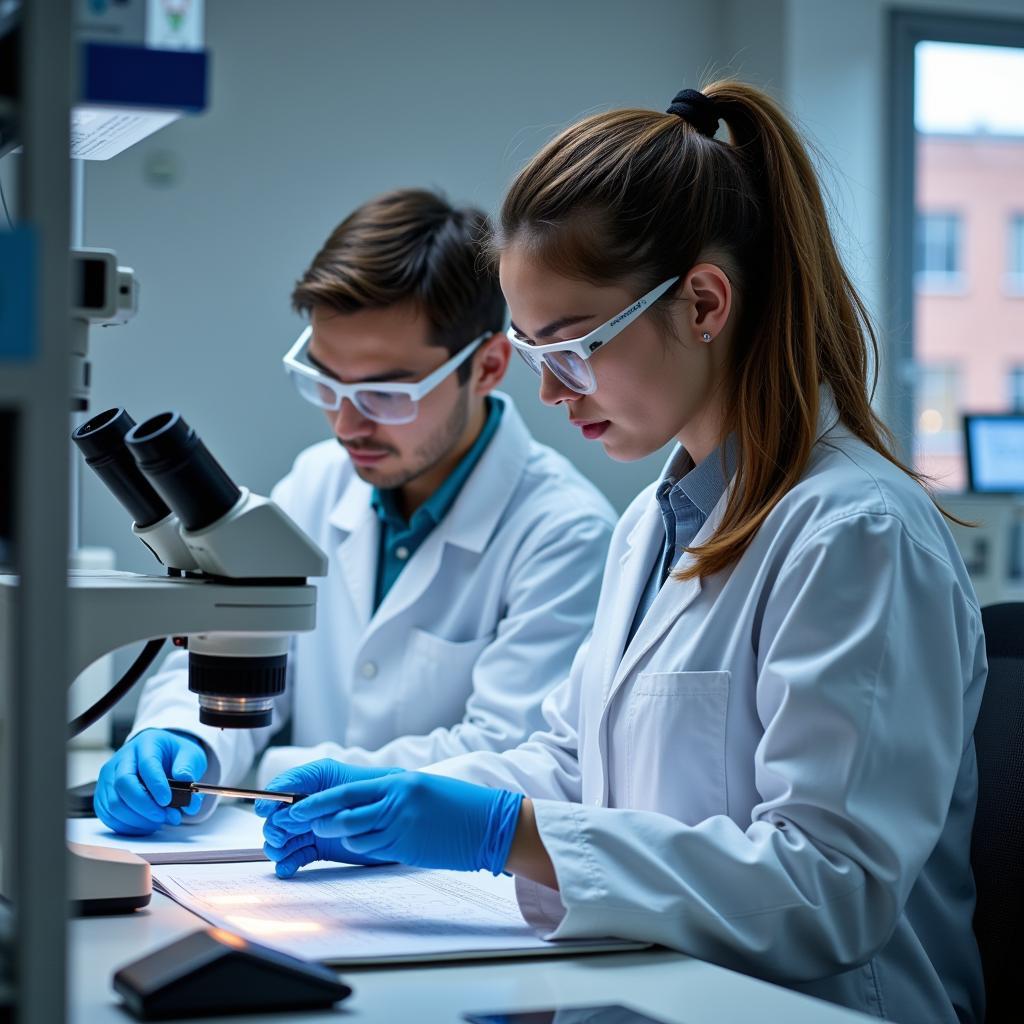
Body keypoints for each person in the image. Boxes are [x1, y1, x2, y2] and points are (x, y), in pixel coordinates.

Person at [256, 87, 988, 1023]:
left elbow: (831, 886)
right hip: (659, 987)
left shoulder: (855, 530)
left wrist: (498, 833)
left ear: (703, 302)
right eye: (531, 354)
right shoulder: (658, 515)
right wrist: (409, 800)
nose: (553, 396)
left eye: (574, 348)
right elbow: (575, 760)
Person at [94, 188, 616, 835]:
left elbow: (506, 757)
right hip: (294, 861)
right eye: (325, 383)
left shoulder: (564, 532)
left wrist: (265, 777)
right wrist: (183, 739)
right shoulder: (317, 482)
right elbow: (237, 654)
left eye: (385, 394)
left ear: (487, 366)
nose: (346, 424)